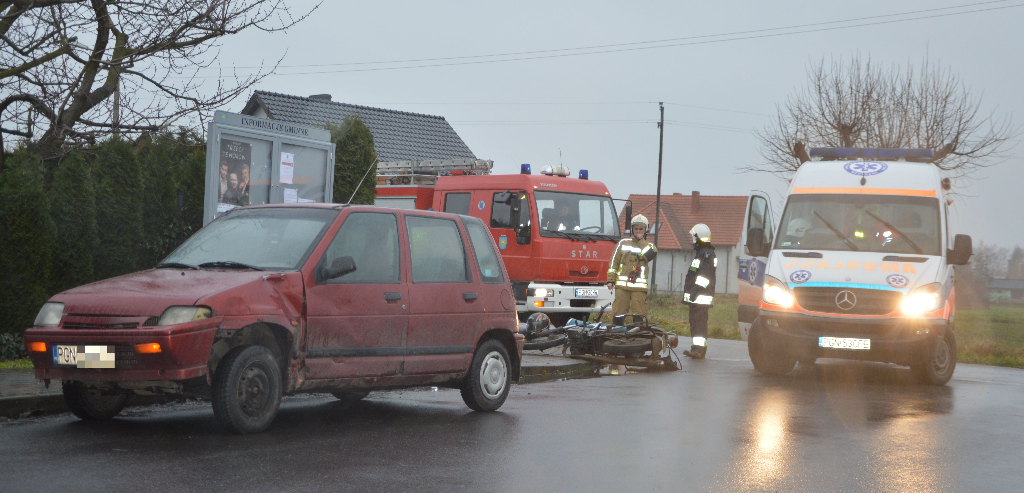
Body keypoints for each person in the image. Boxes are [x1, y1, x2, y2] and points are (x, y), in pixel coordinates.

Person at [606, 214, 657, 318]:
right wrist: (610, 280)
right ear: (632, 229)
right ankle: (618, 332)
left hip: (639, 288)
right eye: (636, 229)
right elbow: (613, 262)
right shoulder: (622, 243)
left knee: (639, 314)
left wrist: (641, 241)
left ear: (645, 230)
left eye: (641, 229)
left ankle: (638, 333)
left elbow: (650, 255)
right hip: (622, 287)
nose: (638, 231)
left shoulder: (649, 246)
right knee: (618, 313)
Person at [682, 223, 716, 359]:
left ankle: (699, 351)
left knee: (699, 323)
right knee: (695, 323)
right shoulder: (702, 253)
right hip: (697, 297)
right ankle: (695, 348)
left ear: (698, 237)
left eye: (693, 237)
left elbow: (704, 277)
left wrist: (694, 291)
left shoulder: (706, 254)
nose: (692, 240)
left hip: (700, 296)